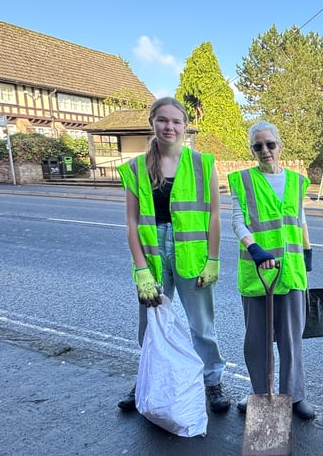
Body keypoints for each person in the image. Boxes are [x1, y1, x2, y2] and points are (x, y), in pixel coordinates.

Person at [115, 97, 230, 414]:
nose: (169, 126)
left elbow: (214, 217)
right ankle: (148, 379)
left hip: (192, 255)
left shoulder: (203, 164)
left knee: (202, 325)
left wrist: (214, 258)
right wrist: (141, 270)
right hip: (152, 255)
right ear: (152, 122)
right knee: (152, 325)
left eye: (176, 121)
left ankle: (212, 381)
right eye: (163, 120)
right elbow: (132, 222)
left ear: (185, 126)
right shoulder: (137, 168)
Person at [227, 121, 316, 421]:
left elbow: (300, 219)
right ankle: (260, 394)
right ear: (252, 149)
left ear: (280, 145)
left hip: (290, 272)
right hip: (258, 274)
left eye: (270, 144)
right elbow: (238, 221)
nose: (265, 150)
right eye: (258, 146)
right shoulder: (243, 181)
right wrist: (254, 248)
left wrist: (308, 251)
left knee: (292, 339)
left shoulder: (296, 181)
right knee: (257, 340)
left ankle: (294, 396)